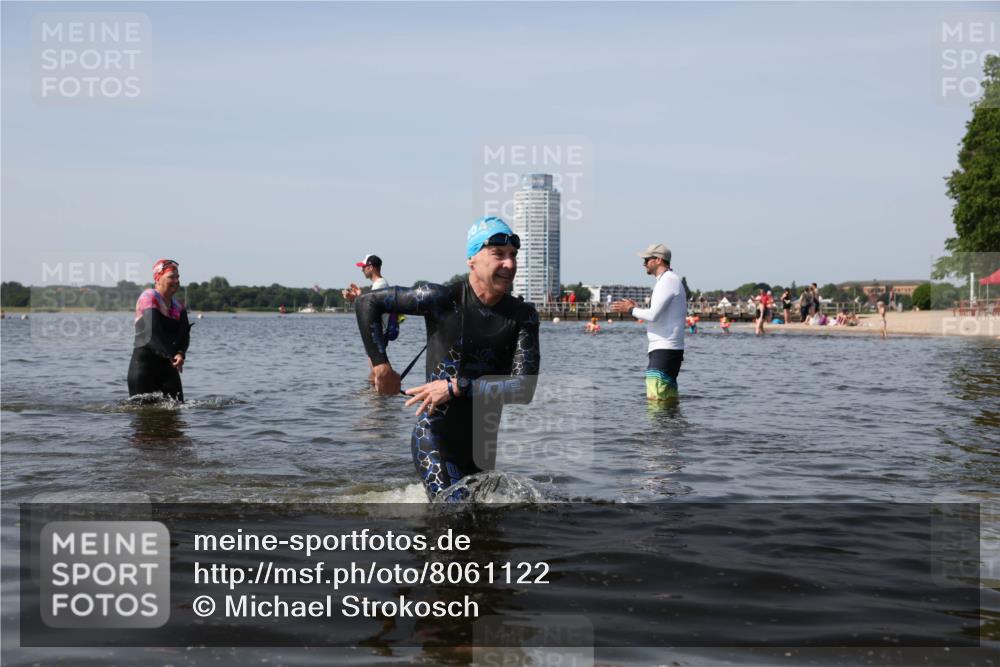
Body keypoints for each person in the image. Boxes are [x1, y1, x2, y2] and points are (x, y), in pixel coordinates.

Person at [354, 217, 540, 500]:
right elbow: (367, 302)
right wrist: (381, 366)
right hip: (435, 436)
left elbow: (523, 389)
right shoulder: (441, 299)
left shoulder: (522, 316)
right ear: (472, 259)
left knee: (482, 530)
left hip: (481, 448)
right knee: (455, 513)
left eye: (513, 256)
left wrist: (455, 386)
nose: (509, 264)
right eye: (498, 255)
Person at [611, 243, 686, 401]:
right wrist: (636, 309)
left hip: (665, 348)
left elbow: (653, 316)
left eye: (647, 259)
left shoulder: (668, 280)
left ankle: (660, 427)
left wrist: (631, 309)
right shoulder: (667, 280)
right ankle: (671, 426)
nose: (643, 263)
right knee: (666, 400)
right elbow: (657, 314)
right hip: (665, 348)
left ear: (658, 260)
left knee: (656, 399)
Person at [127, 259, 191, 402]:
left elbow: (184, 335)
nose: (176, 281)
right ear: (158, 279)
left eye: (178, 277)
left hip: (168, 366)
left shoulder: (179, 305)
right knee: (144, 419)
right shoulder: (149, 297)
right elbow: (152, 333)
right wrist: (172, 354)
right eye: (171, 277)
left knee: (177, 412)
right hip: (144, 367)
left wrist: (181, 353)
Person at [344, 254, 395, 383]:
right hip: (378, 332)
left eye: (364, 267)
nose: (362, 270)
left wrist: (355, 299)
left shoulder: (380, 285)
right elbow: (369, 305)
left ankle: (380, 395)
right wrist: (358, 297)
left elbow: (369, 309)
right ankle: (377, 396)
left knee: (377, 369)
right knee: (375, 369)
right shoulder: (379, 284)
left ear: (371, 267)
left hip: (378, 332)